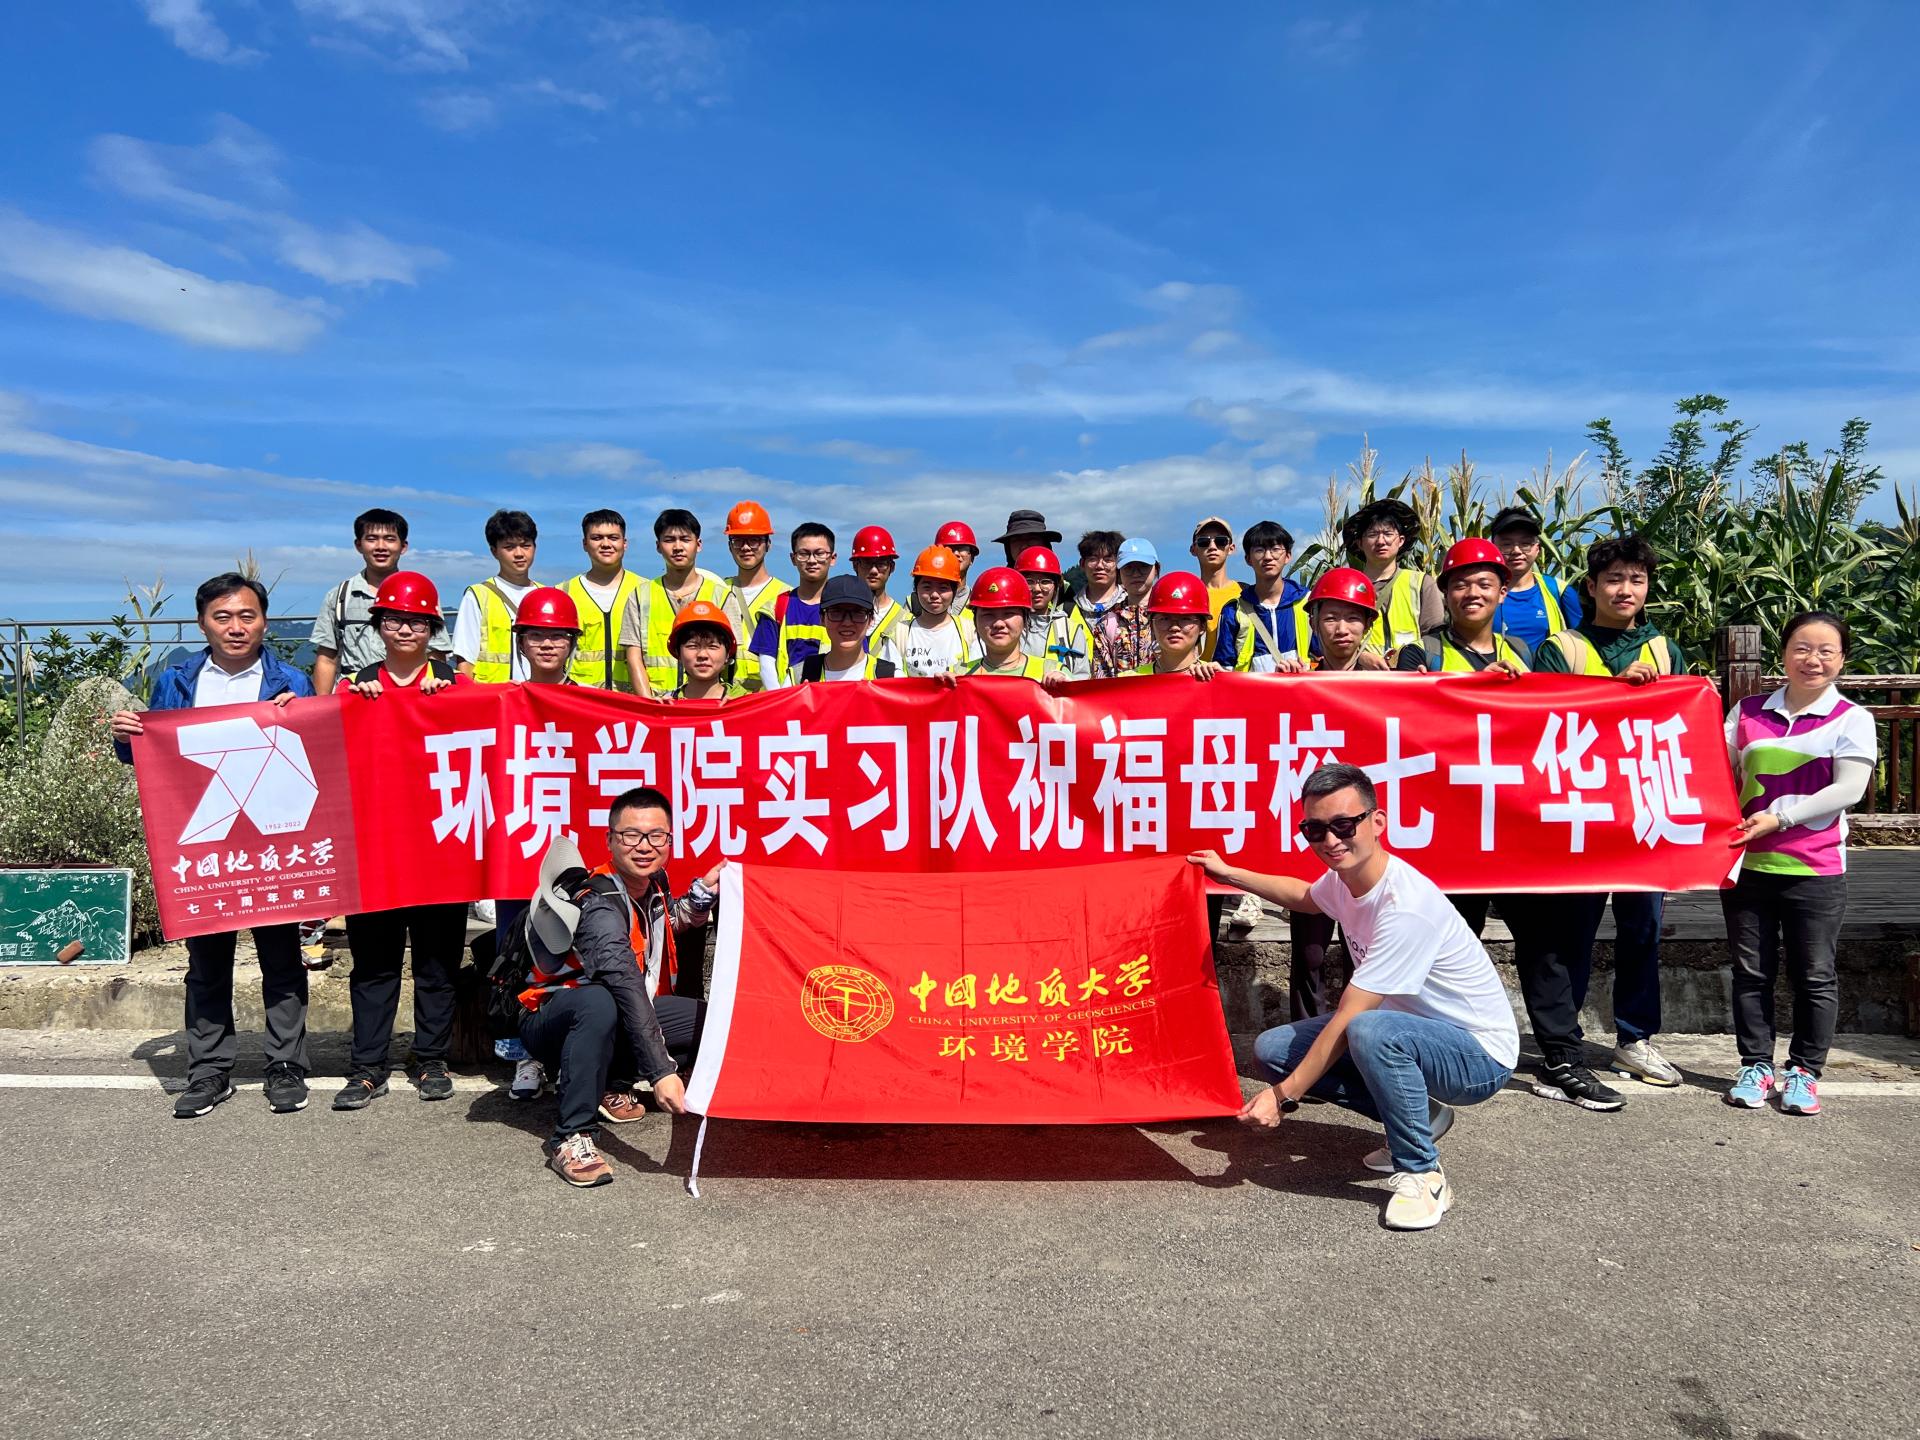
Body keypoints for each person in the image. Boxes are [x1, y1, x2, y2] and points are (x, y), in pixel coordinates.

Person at [1191, 763, 1518, 1230]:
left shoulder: (1405, 907)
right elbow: (1305, 896)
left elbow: (1349, 1019)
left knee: (1368, 1028)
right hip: (1411, 1033)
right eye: (1315, 829)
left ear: (1377, 822)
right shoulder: (1348, 881)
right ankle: (1422, 1116)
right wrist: (1230, 874)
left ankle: (1423, 1174)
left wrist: (1282, 1097)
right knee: (1275, 1049)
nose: (1330, 840)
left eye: (1344, 825)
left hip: (1478, 1057)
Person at [108, 573, 317, 1118]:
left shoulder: (290, 679)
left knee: (281, 958)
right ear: (202, 624)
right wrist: (126, 737)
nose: (236, 627)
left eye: (247, 616)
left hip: (272, 838)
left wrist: (302, 717)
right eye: (222, 617)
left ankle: (286, 1064)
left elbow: (316, 752)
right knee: (206, 962)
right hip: (204, 841)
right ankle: (208, 1070)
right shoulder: (177, 681)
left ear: (264, 621)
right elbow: (147, 757)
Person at [1533, 533, 1690, 1088]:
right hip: (1581, 809)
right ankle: (1564, 1042)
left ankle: (1635, 1038)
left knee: (1643, 928)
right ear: (1592, 587)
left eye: (1637, 580)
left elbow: (1682, 724)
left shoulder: (1665, 650)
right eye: (1614, 579)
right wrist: (1613, 691)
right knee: (1570, 931)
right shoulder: (1562, 648)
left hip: (1643, 808)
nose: (1626, 589)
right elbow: (1545, 720)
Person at [516, 790, 720, 1187]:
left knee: (708, 1020)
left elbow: (663, 928)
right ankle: (572, 1135)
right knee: (600, 1001)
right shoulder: (598, 903)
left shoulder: (652, 883)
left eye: (656, 836)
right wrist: (661, 1072)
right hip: (551, 1022)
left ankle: (611, 1084)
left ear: (669, 841)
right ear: (610, 841)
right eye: (631, 836)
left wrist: (700, 897)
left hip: (611, 1014)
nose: (644, 846)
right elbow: (625, 983)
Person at [1723, 612, 1877, 1116]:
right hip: (1748, 865)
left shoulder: (1852, 718)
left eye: (1826, 651)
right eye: (1802, 648)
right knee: (1751, 972)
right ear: (1784, 653)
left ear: (1842, 660)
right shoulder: (1747, 712)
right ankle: (1755, 1064)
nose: (1813, 660)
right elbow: (1715, 772)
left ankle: (1805, 1071)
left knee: (1815, 974)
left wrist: (1780, 818)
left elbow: (1848, 789)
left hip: (1815, 868)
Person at [328, 572, 468, 1110]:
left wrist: (452, 699)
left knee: (437, 964)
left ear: (432, 629)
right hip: (377, 853)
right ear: (379, 626)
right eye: (394, 619)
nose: (405, 629)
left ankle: (431, 1058)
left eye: (416, 621)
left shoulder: (458, 690)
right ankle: (367, 1066)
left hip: (441, 852)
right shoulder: (353, 690)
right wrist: (352, 700)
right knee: (374, 966)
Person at [311, 508, 448, 695]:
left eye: (390, 539)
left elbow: (437, 652)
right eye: (372, 539)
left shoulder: (421, 593)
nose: (381, 546)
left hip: (412, 696)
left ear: (403, 546)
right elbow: (327, 658)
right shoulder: (339, 596)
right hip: (358, 695)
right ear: (358, 545)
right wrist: (322, 705)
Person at [619, 509, 742, 699]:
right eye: (669, 540)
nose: (677, 547)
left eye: (685, 539)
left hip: (707, 703)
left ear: (698, 545)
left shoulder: (723, 596)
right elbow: (633, 657)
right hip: (660, 703)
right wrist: (650, 705)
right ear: (658, 546)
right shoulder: (639, 595)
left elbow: (731, 654)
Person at [1395, 538, 1531, 674]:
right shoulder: (1419, 654)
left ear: (1502, 593)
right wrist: (1481, 682)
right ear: (1446, 595)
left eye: (1484, 585)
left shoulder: (1520, 651)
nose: (1472, 593)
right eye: (1460, 586)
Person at [1340, 498, 1441, 665]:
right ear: (1360, 543)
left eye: (1388, 534)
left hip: (1412, 674)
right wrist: (1359, 657)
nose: (1381, 541)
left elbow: (1435, 638)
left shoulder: (1421, 583)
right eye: (1372, 534)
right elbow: (1331, 636)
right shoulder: (1347, 587)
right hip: (1361, 676)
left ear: (1401, 540)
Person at [562, 509, 646, 692]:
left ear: (625, 543)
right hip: (581, 701)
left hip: (633, 702)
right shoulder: (563, 593)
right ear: (584, 544)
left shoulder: (645, 591)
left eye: (613, 538)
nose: (606, 544)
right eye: (597, 538)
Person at [453, 509, 539, 682]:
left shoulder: (546, 595)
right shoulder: (478, 595)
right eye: (509, 547)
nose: (519, 553)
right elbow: (465, 661)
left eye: (525, 545)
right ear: (494, 551)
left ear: (534, 547)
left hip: (537, 694)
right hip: (493, 695)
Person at [1214, 520, 1309, 673]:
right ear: (1248, 559)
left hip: (1300, 688)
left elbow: (1323, 657)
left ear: (1288, 556)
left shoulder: (1307, 603)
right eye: (1259, 550)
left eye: (1275, 549)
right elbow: (1224, 668)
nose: (1268, 557)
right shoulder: (1234, 611)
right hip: (1250, 689)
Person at [748, 522, 837, 687]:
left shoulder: (844, 607)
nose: (812, 560)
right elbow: (766, 665)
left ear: (832, 558)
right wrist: (780, 699)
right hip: (785, 697)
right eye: (804, 554)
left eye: (819, 553)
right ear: (793, 558)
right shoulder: (775, 607)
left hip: (830, 698)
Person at [1489, 505, 1582, 651]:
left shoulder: (1559, 591)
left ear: (1537, 549)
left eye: (1525, 544)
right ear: (1493, 548)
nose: (1516, 551)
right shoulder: (1480, 593)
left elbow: (1583, 644)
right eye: (1506, 544)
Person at [797, 575, 901, 681]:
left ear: (871, 620)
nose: (847, 622)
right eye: (836, 613)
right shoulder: (799, 677)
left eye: (857, 613)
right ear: (822, 619)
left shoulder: (891, 678)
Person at [898, 545, 977, 678]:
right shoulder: (900, 634)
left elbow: (979, 676)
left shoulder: (970, 632)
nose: (934, 594)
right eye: (927, 587)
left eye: (943, 588)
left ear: (954, 591)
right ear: (916, 588)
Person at [962, 568, 1055, 680]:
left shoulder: (1051, 672)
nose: (998, 623)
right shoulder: (959, 675)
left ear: (1026, 619)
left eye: (1008, 614)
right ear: (975, 621)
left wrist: (1066, 687)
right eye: (988, 614)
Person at [1074, 530, 1143, 679]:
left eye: (1108, 559)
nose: (1100, 565)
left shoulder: (1134, 608)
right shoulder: (1067, 610)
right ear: (1082, 564)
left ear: (1118, 564)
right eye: (1093, 559)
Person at [1015, 546, 1092, 679]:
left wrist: (1066, 678)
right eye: (1029, 581)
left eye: (1045, 582)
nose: (1037, 588)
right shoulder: (1007, 625)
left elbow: (1082, 676)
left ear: (1056, 587)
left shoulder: (1071, 630)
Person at [1128, 573, 1220, 680]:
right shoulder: (1128, 682)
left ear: (1202, 626)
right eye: (1165, 619)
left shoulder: (1214, 677)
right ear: (1152, 625)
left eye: (1185, 619)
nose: (1174, 627)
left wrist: (1223, 681)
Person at [660, 600, 744, 701]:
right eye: (692, 646)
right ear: (678, 653)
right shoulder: (667, 702)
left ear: (727, 654)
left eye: (712, 646)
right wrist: (655, 709)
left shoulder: (747, 702)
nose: (702, 655)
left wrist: (740, 707)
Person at [1301, 568, 1380, 673]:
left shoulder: (1382, 682)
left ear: (1367, 624)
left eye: (1352, 618)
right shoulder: (1301, 682)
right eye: (1331, 619)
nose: (1342, 630)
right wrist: (1286, 680)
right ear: (1313, 624)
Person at [850, 525, 912, 658]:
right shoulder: (839, 614)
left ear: (892, 567)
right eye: (867, 562)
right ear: (855, 565)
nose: (874, 570)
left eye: (881, 564)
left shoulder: (905, 620)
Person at [1188, 516, 1241, 655]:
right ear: (1193, 549)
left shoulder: (1245, 593)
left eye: (1221, 541)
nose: (1212, 547)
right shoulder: (1187, 595)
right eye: (1204, 542)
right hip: (1195, 669)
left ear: (1231, 548)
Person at [995, 508, 1062, 566]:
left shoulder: (1057, 578)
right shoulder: (999, 577)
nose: (1024, 546)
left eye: (1032, 538)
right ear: (1008, 547)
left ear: (1045, 544)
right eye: (1017, 540)